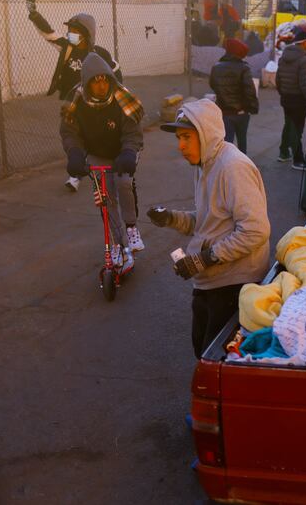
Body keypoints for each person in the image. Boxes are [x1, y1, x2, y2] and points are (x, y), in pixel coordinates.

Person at [150, 99, 270, 359]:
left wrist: (204, 259)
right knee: (200, 348)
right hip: (209, 279)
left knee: (214, 360)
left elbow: (256, 230)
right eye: (179, 138)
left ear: (206, 133)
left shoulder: (232, 167)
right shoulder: (206, 163)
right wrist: (171, 218)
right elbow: (210, 221)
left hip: (234, 281)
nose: (180, 146)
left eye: (186, 137)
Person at [25, 0, 122, 193]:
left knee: (94, 135)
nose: (71, 33)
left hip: (95, 103)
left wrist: (116, 97)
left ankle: (106, 165)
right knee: (74, 135)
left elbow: (115, 71)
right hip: (74, 102)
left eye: (75, 31)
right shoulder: (67, 48)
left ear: (87, 34)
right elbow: (48, 33)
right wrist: (33, 13)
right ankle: (76, 174)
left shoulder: (99, 54)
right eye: (70, 30)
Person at [60, 53, 145, 264]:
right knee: (105, 200)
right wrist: (75, 154)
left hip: (122, 151)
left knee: (124, 182)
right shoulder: (77, 100)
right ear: (87, 83)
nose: (102, 86)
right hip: (97, 153)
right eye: (96, 82)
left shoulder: (120, 98)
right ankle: (117, 244)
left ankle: (132, 227)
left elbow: (132, 132)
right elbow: (70, 132)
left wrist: (128, 152)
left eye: (105, 80)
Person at [276, 28, 306, 170]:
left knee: (288, 125)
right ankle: (298, 159)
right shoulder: (304, 60)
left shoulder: (283, 57)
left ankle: (283, 152)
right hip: (299, 101)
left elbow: (278, 80)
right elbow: (305, 85)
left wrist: (284, 93)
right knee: (297, 130)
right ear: (304, 43)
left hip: (286, 99)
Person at [209, 38, 259, 154]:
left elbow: (213, 85)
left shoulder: (216, 67)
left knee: (227, 143)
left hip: (224, 112)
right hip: (241, 112)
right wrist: (253, 108)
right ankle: (242, 165)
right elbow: (250, 91)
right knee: (242, 141)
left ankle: (227, 166)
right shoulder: (243, 68)